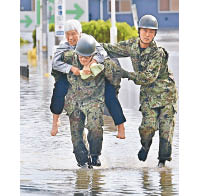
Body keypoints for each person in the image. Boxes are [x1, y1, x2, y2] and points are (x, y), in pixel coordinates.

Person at [102, 15, 178, 167]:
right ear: (139, 31)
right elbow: (111, 48)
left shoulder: (158, 53)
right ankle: (145, 145)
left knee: (165, 132)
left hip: (166, 95)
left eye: (151, 32)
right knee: (147, 127)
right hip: (149, 97)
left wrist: (126, 74)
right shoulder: (132, 46)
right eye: (145, 31)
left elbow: (148, 77)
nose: (147, 34)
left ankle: (162, 164)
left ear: (155, 34)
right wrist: (90, 45)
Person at [50, 19, 126, 139]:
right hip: (74, 74)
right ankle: (55, 121)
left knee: (109, 94)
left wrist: (92, 63)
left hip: (94, 73)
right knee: (59, 88)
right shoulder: (64, 47)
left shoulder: (88, 40)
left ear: (79, 33)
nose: (70, 38)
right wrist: (71, 68)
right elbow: (55, 63)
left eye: (73, 34)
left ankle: (120, 126)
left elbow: (103, 53)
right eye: (67, 34)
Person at [62, 35, 122, 168]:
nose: (83, 59)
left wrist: (113, 94)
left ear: (93, 55)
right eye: (81, 56)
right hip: (74, 102)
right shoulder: (69, 58)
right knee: (76, 135)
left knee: (95, 127)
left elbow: (115, 78)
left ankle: (95, 156)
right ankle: (82, 162)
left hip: (94, 100)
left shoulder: (102, 64)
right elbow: (57, 60)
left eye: (86, 57)